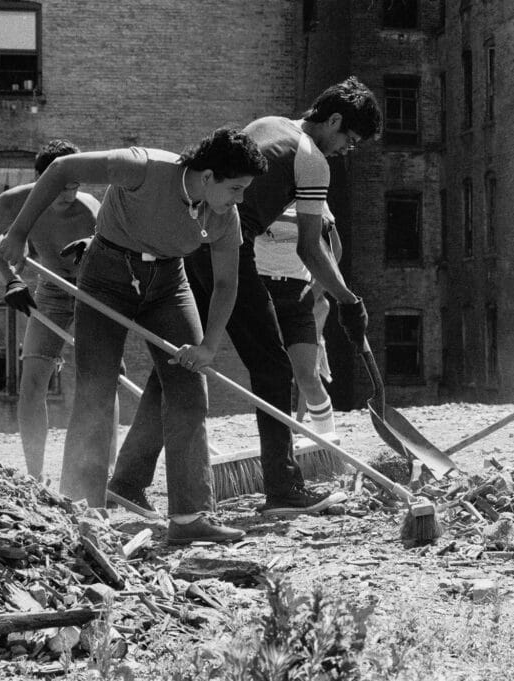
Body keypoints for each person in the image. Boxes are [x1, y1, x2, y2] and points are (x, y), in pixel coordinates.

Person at [108, 76, 381, 519]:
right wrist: (349, 301)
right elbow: (310, 247)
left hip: (191, 245)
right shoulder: (313, 160)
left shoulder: (270, 122)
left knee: (178, 364)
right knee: (273, 367)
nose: (346, 150)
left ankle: (126, 482)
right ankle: (284, 488)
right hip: (228, 249)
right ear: (333, 120)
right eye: (349, 139)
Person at [0, 127, 268, 545]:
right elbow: (60, 168)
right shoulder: (143, 167)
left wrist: (208, 346)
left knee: (189, 391)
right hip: (106, 273)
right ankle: (84, 512)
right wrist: (17, 233)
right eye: (236, 187)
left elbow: (227, 284)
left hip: (167, 283)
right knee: (95, 389)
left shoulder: (223, 214)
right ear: (208, 175)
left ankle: (189, 517)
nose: (240, 198)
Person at [0, 139, 115, 484]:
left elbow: (115, 252)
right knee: (33, 382)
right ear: (41, 178)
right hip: (52, 292)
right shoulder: (12, 203)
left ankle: (107, 474)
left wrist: (95, 251)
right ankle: (35, 476)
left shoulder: (88, 209)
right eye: (60, 185)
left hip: (94, 291)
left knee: (104, 380)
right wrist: (11, 280)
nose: (69, 193)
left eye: (75, 184)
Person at [256, 202, 341, 440]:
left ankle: (329, 446)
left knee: (308, 377)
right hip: (260, 291)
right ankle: (279, 448)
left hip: (298, 292)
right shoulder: (258, 190)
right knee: (271, 375)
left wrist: (316, 290)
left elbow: (334, 250)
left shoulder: (311, 195)